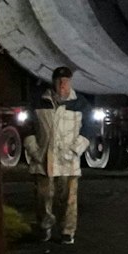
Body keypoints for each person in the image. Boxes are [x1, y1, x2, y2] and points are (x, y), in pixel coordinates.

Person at [24, 66, 90, 244]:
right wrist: (34, 150)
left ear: (70, 82)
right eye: (59, 81)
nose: (63, 84)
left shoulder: (80, 104)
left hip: (68, 161)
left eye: (66, 81)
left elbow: (90, 130)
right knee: (42, 197)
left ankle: (67, 231)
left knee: (68, 199)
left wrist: (76, 150)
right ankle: (44, 228)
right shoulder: (39, 101)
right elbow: (28, 127)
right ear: (53, 82)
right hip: (43, 159)